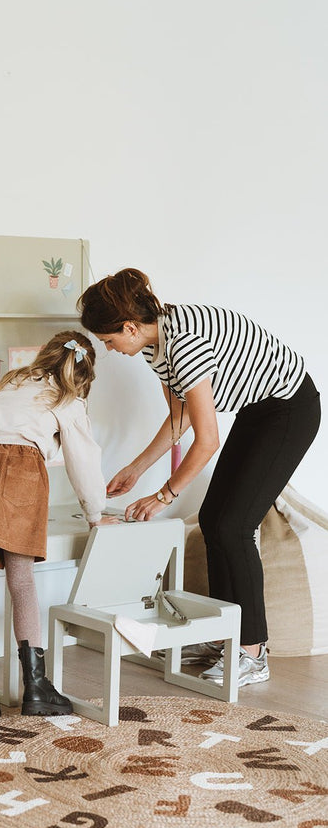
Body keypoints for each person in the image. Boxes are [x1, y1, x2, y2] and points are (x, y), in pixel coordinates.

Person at [78, 268, 321, 687]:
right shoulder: (156, 347)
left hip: (289, 409)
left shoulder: (185, 344)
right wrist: (136, 469)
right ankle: (225, 637)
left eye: (109, 340)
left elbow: (207, 441)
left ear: (130, 327)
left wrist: (164, 495)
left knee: (234, 527)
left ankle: (252, 652)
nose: (110, 348)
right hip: (257, 410)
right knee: (213, 522)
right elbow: (180, 417)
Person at [0, 329, 115, 725]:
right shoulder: (69, 398)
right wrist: (95, 513)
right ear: (84, 374)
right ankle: (36, 687)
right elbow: (83, 462)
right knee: (22, 582)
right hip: (19, 470)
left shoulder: (12, 381)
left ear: (44, 354)